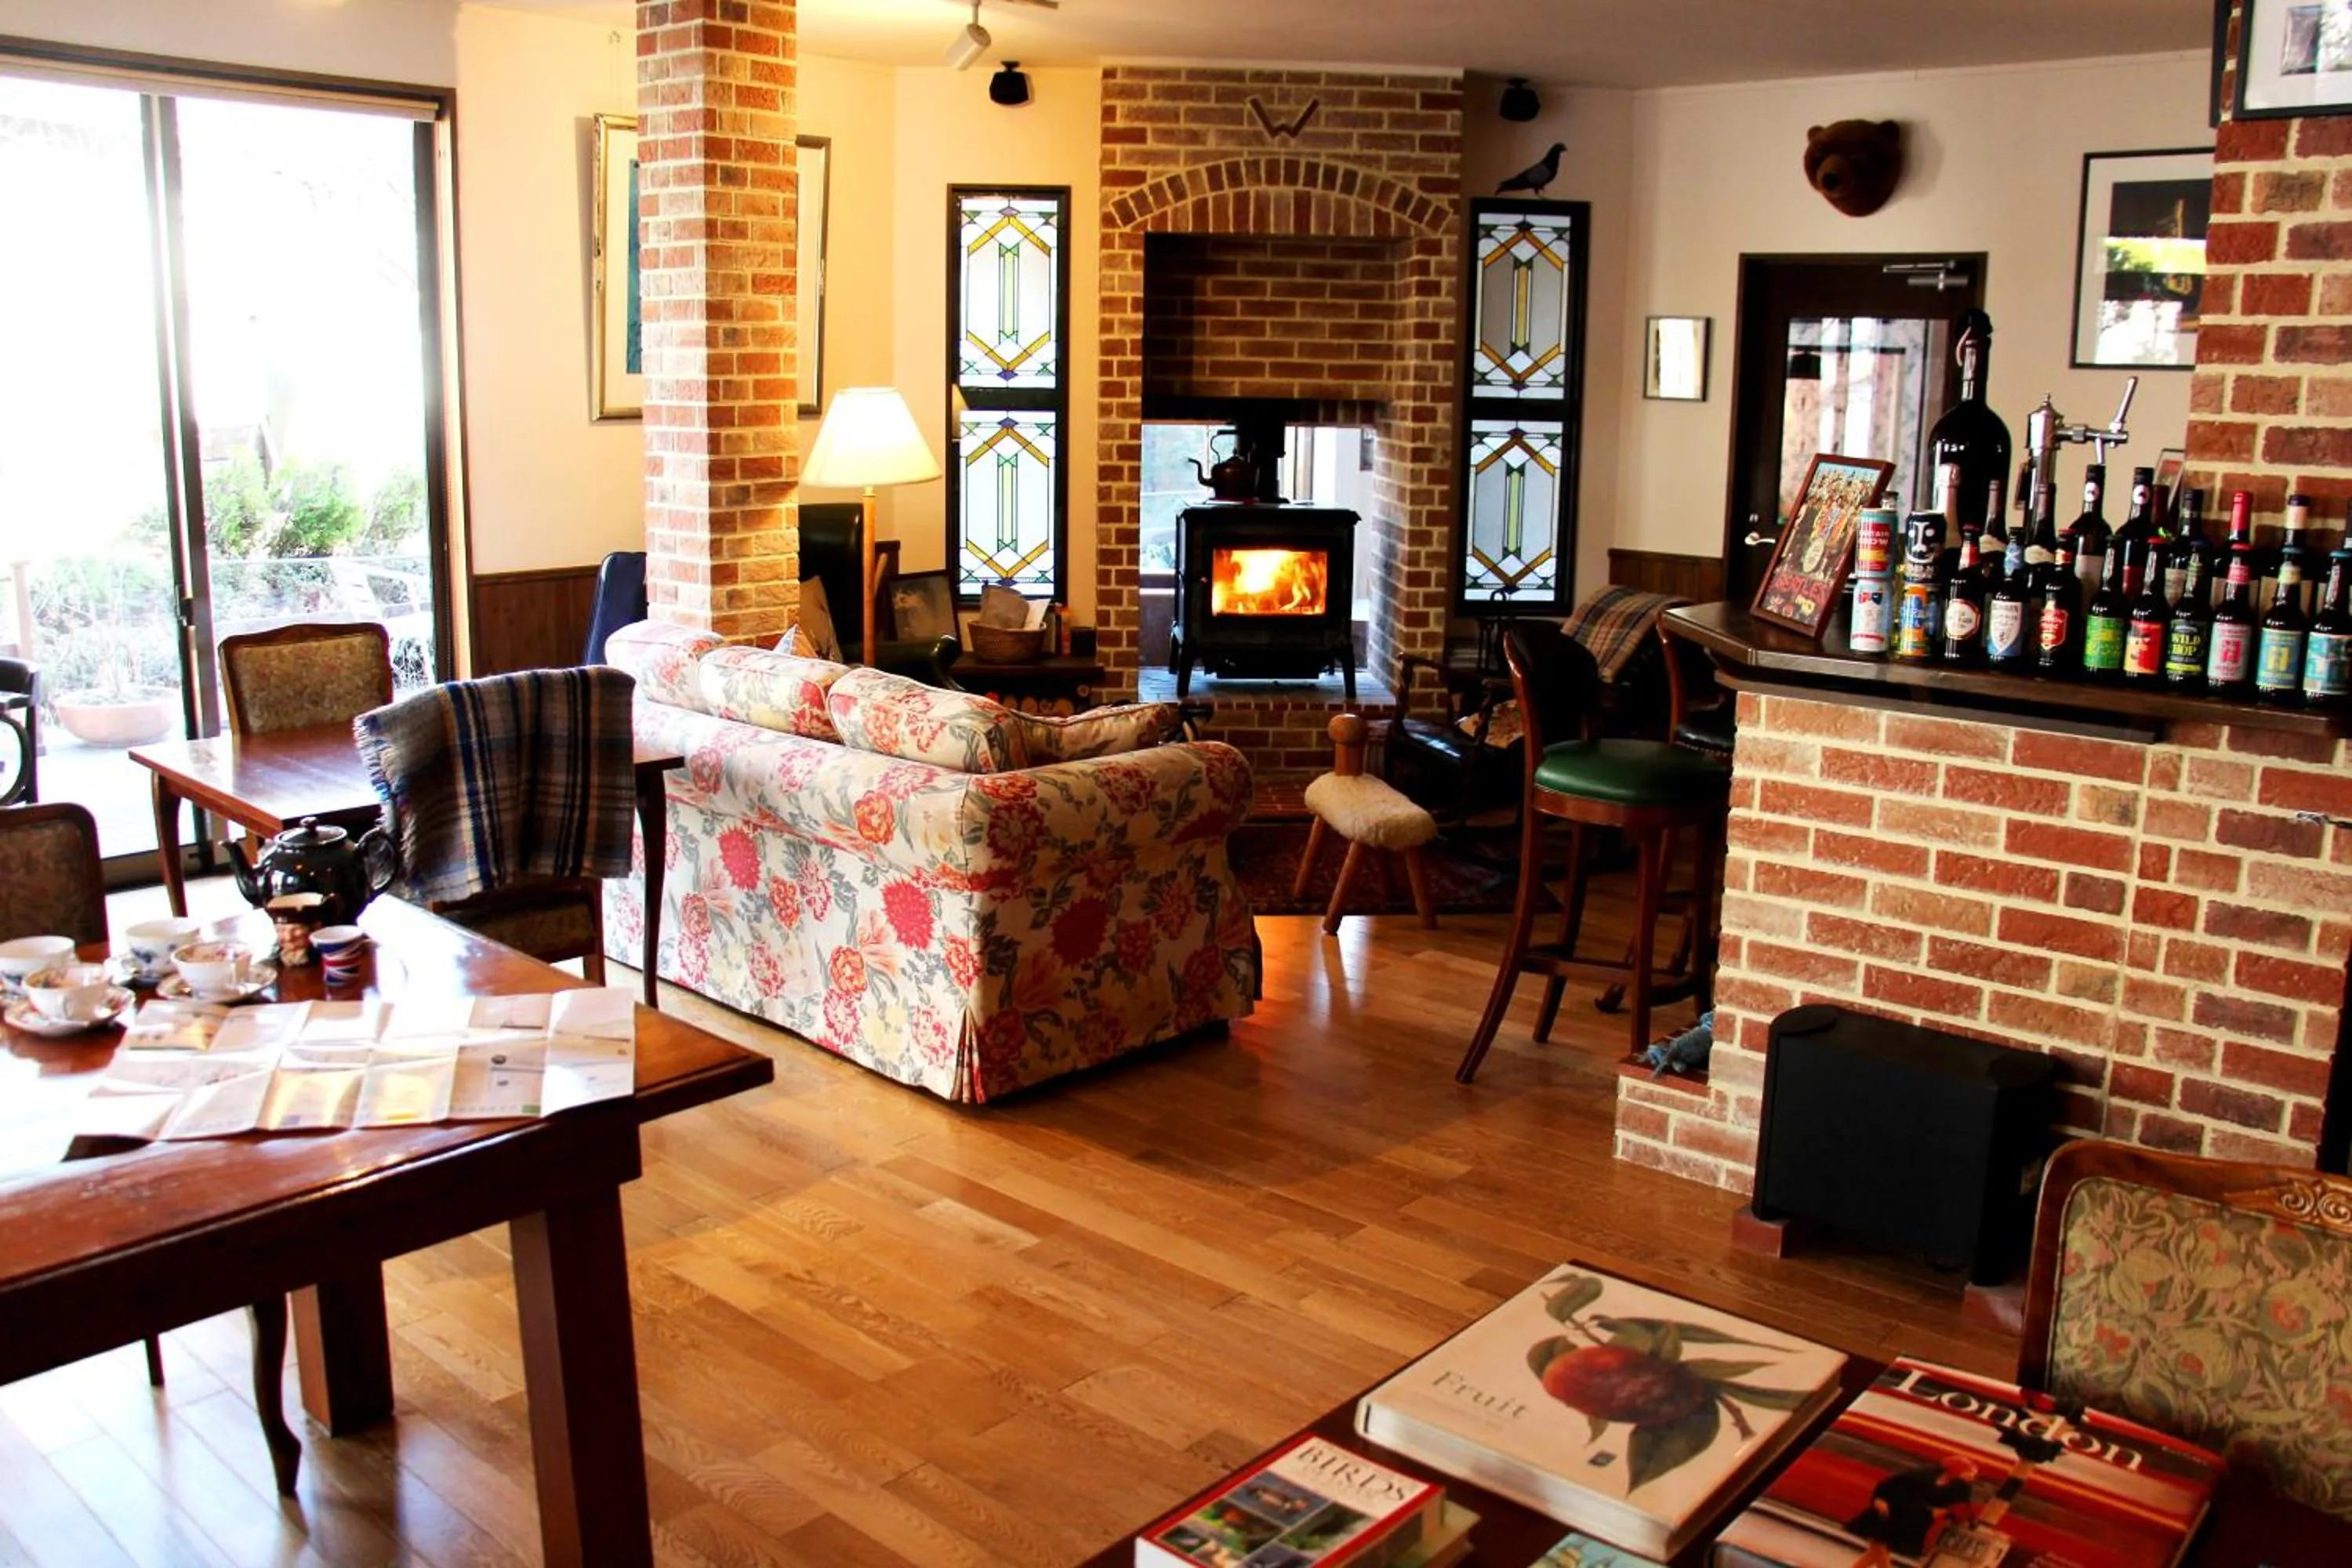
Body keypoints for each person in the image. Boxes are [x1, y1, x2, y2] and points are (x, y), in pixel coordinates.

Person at [1844, 1454, 1980, 1566]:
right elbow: (1892, 1483)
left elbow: (1959, 1506)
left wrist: (1939, 1513)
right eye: (1967, 1472)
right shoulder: (1925, 1474)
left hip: (1915, 1519)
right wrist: (1880, 1499)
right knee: (1879, 1545)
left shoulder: (1961, 1488)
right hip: (1892, 1511)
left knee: (1878, 1549)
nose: (1970, 1476)